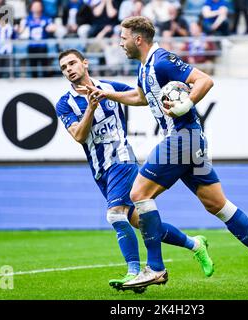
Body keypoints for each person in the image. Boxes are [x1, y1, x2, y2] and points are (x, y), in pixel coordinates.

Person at [86, 16, 248, 295]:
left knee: (139, 194)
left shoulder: (162, 60)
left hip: (183, 137)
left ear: (138, 39)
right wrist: (107, 95)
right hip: (190, 142)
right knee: (217, 204)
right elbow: (141, 97)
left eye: (123, 37)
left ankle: (155, 268)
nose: (120, 42)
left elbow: (204, 80)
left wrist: (186, 103)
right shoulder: (144, 69)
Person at [55, 48, 215, 290]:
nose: (69, 69)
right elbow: (79, 135)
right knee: (141, 222)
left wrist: (176, 104)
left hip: (122, 159)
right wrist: (90, 107)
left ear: (84, 63)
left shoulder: (110, 87)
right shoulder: (64, 104)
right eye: (64, 67)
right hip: (101, 170)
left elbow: (140, 97)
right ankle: (195, 244)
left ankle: (134, 272)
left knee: (115, 215)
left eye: (72, 63)